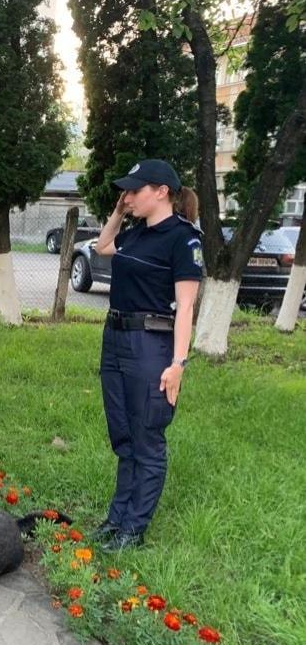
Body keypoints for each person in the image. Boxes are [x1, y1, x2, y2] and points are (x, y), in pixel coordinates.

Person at [91, 159, 203, 551]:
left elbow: (185, 307)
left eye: (135, 190)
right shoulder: (136, 233)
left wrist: (178, 364)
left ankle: (134, 530)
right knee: (123, 435)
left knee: (147, 437)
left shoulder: (183, 239)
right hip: (115, 339)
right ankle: (116, 520)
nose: (129, 196)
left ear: (161, 191)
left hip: (150, 344)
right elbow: (103, 247)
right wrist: (118, 213)